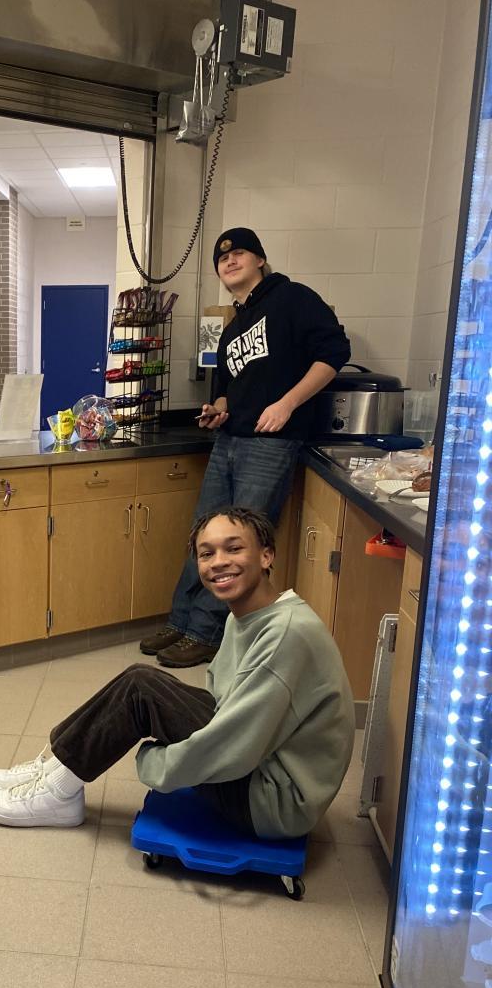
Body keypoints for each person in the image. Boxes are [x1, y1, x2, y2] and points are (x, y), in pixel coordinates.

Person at [0, 506, 355, 838]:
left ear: (266, 555)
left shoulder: (286, 634)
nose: (219, 562)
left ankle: (59, 792)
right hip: (264, 767)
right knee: (141, 682)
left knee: (141, 688)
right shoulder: (248, 616)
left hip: (273, 802)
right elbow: (222, 703)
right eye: (207, 554)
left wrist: (155, 762)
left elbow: (236, 746)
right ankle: (56, 770)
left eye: (234, 548)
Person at [139, 227, 351, 668]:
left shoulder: (292, 298)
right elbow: (227, 389)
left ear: (259, 260)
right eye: (222, 258)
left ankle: (205, 632)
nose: (230, 261)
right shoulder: (233, 327)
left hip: (271, 445)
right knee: (205, 534)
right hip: (229, 440)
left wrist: (287, 404)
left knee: (237, 543)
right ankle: (181, 620)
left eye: (239, 253)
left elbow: (334, 354)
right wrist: (217, 410)